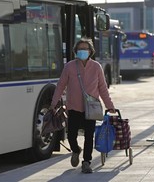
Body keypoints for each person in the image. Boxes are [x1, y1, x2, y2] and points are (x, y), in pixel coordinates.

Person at [49, 38, 115, 174]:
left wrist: (110, 105)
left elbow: (103, 88)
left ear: (90, 51)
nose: (83, 51)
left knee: (89, 136)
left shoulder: (96, 67)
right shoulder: (69, 66)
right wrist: (54, 103)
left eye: (85, 49)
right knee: (71, 135)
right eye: (80, 49)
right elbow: (61, 85)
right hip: (73, 107)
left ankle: (86, 162)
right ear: (76, 51)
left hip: (91, 109)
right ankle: (76, 150)